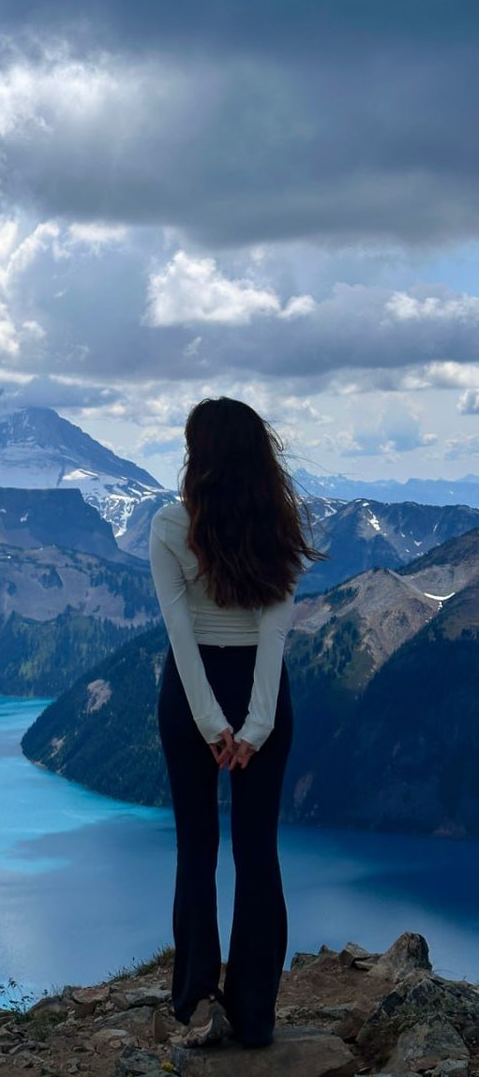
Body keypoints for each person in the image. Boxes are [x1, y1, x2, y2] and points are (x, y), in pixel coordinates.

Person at [149, 396, 323, 1050]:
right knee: (258, 851)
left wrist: (208, 722)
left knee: (196, 846)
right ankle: (254, 1013)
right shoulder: (278, 527)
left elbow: (181, 632)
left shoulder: (168, 524)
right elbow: (272, 634)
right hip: (263, 691)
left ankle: (194, 995)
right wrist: (255, 724)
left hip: (191, 696)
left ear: (200, 458)